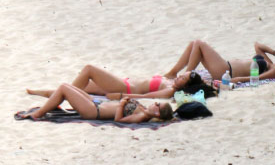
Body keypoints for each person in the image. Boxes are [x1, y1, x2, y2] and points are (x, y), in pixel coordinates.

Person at [27, 64, 216, 100]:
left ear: (185, 85)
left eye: (183, 77)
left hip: (122, 87)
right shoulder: (170, 81)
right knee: (81, 88)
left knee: (89, 70)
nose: (180, 75)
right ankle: (45, 93)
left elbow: (148, 96)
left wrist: (120, 96)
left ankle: (57, 96)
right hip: (122, 81)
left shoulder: (169, 91)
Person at [22, 83, 173, 122]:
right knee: (68, 86)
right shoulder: (144, 110)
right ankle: (48, 103)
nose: (155, 104)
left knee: (63, 88)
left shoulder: (141, 116)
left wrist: (121, 104)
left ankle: (38, 113)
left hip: (94, 111)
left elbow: (119, 120)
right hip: (96, 104)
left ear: (157, 112)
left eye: (158, 105)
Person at [163, 40, 275, 83]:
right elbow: (257, 45)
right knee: (194, 44)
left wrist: (237, 80)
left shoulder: (274, 70)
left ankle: (187, 77)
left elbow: (256, 79)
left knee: (199, 44)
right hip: (225, 66)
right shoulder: (270, 63)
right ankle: (173, 73)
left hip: (226, 71)